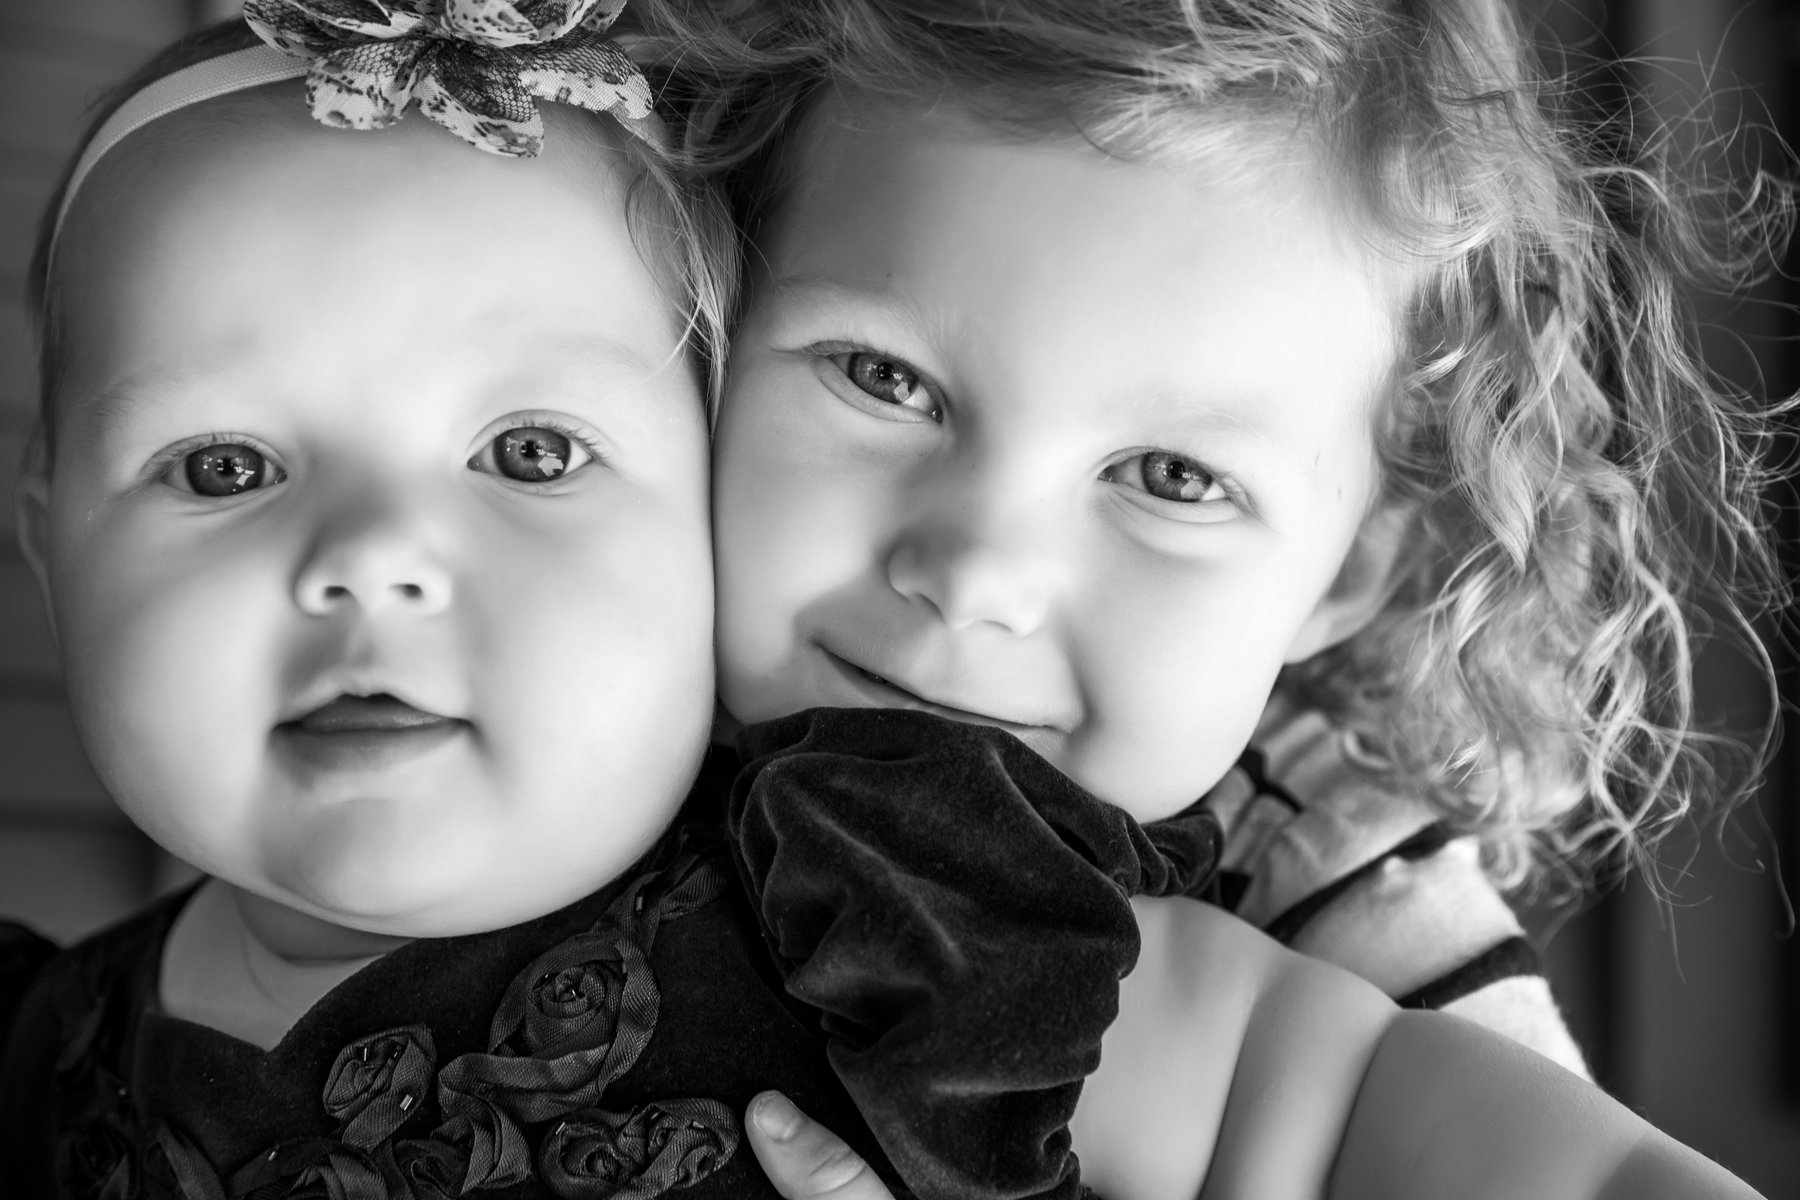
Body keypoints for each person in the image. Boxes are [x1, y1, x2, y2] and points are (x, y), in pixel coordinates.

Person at [655, 0, 1786, 1194]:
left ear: (1347, 573)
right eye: (883, 378)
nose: (976, 576)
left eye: (1172, 479)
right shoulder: (570, 659)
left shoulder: (1339, 912)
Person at [0, 4, 894, 1195]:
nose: (374, 556)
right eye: (225, 467)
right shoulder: (33, 1059)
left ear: (720, 521)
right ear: (49, 548)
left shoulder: (886, 940)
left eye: (531, 452)